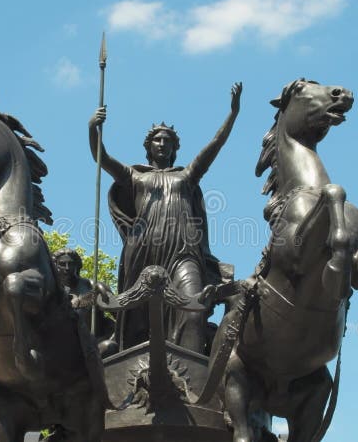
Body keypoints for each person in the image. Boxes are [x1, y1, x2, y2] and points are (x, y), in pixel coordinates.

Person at [88, 82, 242, 353]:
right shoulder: (135, 176)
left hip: (183, 254)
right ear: (148, 146)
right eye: (157, 140)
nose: (162, 144)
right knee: (136, 322)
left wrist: (233, 114)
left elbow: (214, 146)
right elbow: (102, 158)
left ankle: (191, 374)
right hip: (142, 255)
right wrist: (93, 128)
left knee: (193, 308)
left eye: (167, 141)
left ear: (174, 148)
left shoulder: (187, 175)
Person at [52, 248, 117, 357]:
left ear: (77, 265)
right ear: (55, 266)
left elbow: (120, 315)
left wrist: (114, 336)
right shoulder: (52, 294)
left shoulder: (92, 286)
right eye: (62, 264)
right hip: (67, 352)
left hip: (97, 347)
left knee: (109, 346)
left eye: (71, 264)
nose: (67, 268)